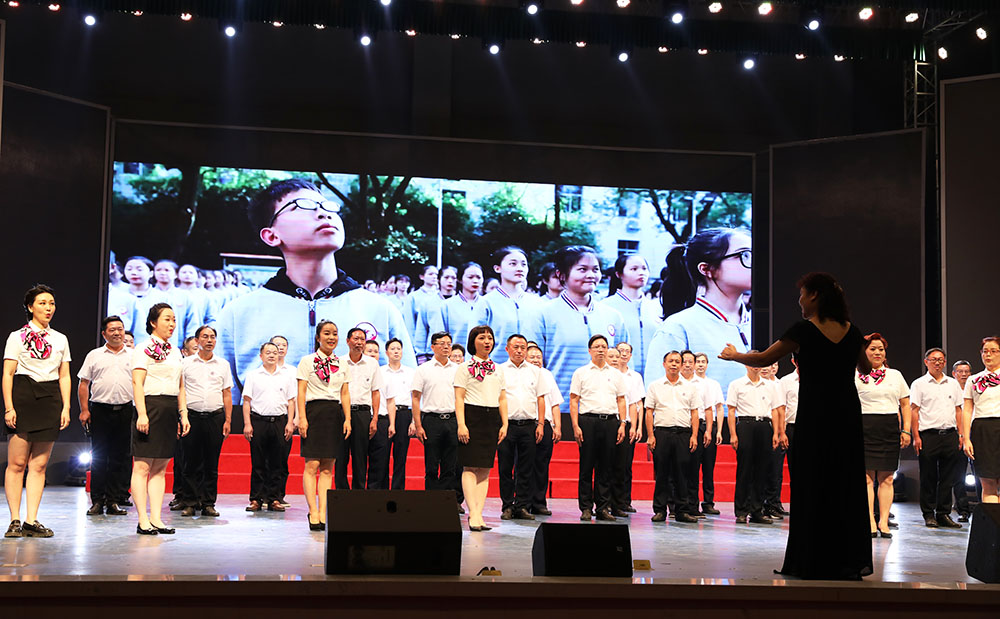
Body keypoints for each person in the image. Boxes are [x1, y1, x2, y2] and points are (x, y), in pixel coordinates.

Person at [720, 271, 873, 580]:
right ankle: (847, 560)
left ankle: (812, 560)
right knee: (845, 484)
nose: (800, 300)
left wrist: (735, 355)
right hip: (845, 416)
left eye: (802, 294)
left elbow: (763, 359)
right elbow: (866, 368)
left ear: (814, 296)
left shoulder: (802, 331)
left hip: (816, 417)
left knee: (812, 483)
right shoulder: (852, 331)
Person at [216, 179, 415, 403]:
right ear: (271, 235)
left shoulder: (379, 309)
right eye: (301, 206)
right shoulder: (239, 314)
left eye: (327, 206)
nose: (323, 213)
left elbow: (405, 391)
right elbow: (223, 399)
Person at [645, 228, 752, 392]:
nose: (754, 262)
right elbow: (659, 395)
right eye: (744, 254)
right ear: (706, 269)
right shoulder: (677, 328)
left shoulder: (758, 322)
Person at [3, 285, 72, 538]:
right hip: (23, 396)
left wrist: (66, 406)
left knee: (39, 464)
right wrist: (9, 407)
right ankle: (14, 520)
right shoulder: (17, 336)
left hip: (50, 398)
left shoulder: (60, 339)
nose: (48, 308)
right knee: (18, 463)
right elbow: (8, 374)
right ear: (31, 307)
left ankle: (31, 520)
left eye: (51, 303)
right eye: (43, 303)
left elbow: (64, 375)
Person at [532, 246, 628, 413]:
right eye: (582, 269)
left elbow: (624, 367)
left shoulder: (613, 316)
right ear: (561, 275)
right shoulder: (543, 314)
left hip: (607, 411)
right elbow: (532, 369)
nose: (591, 275)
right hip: (560, 409)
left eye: (595, 269)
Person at [131, 303, 190, 535]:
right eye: (167, 319)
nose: (172, 324)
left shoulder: (176, 351)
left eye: (174, 320)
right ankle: (142, 518)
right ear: (153, 322)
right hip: (150, 406)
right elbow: (137, 382)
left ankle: (156, 517)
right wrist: (142, 413)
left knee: (161, 467)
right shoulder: (142, 348)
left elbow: (181, 386)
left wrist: (183, 413)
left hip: (169, 408)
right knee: (143, 466)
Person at [297, 320, 351, 531]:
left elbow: (345, 393)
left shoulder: (342, 363)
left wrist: (347, 418)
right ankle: (312, 511)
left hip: (334, 414)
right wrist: (302, 418)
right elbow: (301, 392)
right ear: (318, 337)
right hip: (314, 413)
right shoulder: (307, 361)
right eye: (327, 333)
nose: (331, 337)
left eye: (335, 334)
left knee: (328, 467)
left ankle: (323, 512)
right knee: (312, 465)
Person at [856, 333, 910, 538]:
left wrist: (905, 430)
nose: (877, 352)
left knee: (887, 477)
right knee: (867, 478)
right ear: (864, 352)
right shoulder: (855, 374)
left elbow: (905, 404)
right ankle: (869, 520)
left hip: (888, 426)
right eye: (873, 349)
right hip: (864, 426)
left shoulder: (895, 375)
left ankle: (884, 521)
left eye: (881, 349)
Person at [78, 316, 133, 516]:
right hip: (100, 411)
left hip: (126, 411)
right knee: (99, 458)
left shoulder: (133, 355)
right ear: (104, 334)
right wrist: (85, 410)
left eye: (120, 329)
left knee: (119, 458)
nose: (117, 333)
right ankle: (97, 501)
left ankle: (113, 501)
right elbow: (83, 384)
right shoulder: (94, 355)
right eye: (112, 330)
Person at [455, 325, 508, 531]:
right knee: (470, 466)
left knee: (485, 468)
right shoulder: (464, 368)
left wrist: (505, 423)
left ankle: (479, 513)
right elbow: (459, 398)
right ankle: (473, 514)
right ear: (473, 342)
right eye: (482, 338)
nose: (487, 341)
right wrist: (461, 424)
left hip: (492, 417)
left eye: (490, 338)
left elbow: (502, 398)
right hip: (472, 416)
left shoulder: (498, 369)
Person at [570, 335, 628, 521]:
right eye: (597, 347)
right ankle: (586, 507)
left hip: (610, 422)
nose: (601, 350)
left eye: (604, 346)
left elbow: (621, 400)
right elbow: (574, 400)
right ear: (589, 350)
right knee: (586, 466)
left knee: (606, 467)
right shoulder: (581, 372)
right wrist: (575, 425)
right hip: (588, 422)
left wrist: (622, 424)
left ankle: (602, 507)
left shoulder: (616, 374)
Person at [178, 325, 233, 517]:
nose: (209, 340)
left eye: (212, 337)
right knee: (190, 463)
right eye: (205, 337)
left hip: (215, 417)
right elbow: (180, 391)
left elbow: (227, 393)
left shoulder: (223, 364)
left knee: (211, 463)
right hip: (191, 417)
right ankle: (190, 502)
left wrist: (227, 420)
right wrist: (181, 415)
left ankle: (208, 503)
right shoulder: (186, 363)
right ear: (197, 340)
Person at [910, 347, 964, 529]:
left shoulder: (953, 383)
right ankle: (928, 514)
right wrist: (915, 436)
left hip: (950, 434)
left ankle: (943, 513)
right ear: (926, 362)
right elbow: (914, 411)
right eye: (934, 359)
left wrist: (961, 435)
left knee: (949, 477)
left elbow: (958, 410)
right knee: (928, 476)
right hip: (928, 435)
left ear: (945, 362)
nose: (938, 363)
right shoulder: (919, 384)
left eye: (941, 360)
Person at [646, 351, 702, 524]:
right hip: (662, 433)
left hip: (683, 434)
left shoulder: (690, 386)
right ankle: (660, 510)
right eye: (671, 361)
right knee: (661, 473)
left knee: (682, 474)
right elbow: (649, 411)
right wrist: (650, 435)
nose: (674, 364)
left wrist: (694, 435)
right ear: (664, 364)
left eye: (677, 361)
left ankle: (682, 510)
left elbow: (694, 413)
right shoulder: (655, 386)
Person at [726, 361, 783, 525]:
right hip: (745, 425)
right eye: (752, 363)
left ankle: (757, 511)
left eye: (758, 363)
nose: (756, 366)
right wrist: (733, 434)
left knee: (761, 470)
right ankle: (742, 511)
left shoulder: (770, 385)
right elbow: (731, 410)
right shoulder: (737, 384)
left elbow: (775, 410)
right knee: (745, 470)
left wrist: (776, 432)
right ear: (746, 365)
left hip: (765, 426)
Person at [242, 342, 296, 512]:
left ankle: (274, 498)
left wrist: (290, 422)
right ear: (261, 356)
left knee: (277, 462)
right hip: (258, 422)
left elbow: (291, 401)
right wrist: (247, 424)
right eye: (268, 352)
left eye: (274, 352)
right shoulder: (253, 375)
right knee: (258, 462)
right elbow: (247, 401)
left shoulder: (286, 376)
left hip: (279, 422)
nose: (272, 355)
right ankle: (256, 499)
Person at [411, 332, 462, 512]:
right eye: (442, 343)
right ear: (433, 347)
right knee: (431, 465)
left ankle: (449, 501)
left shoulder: (458, 370)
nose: (446, 346)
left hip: (453, 420)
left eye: (449, 343)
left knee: (451, 465)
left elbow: (462, 398)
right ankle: (431, 500)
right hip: (431, 420)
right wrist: (418, 425)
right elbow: (416, 398)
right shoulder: (423, 369)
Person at [497, 334, 545, 521]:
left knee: (526, 468)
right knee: (505, 467)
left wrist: (540, 423)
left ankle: (522, 506)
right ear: (507, 349)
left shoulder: (535, 371)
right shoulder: (499, 370)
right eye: (515, 347)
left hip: (528, 426)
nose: (519, 350)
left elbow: (540, 398)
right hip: (506, 426)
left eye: (522, 347)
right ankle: (507, 505)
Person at [472, 247, 539, 365]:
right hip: (495, 372)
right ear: (498, 268)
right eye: (513, 264)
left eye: (523, 264)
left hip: (531, 373)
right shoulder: (486, 303)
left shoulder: (537, 303)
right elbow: (475, 344)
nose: (519, 268)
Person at [336, 328, 383, 490]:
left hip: (363, 413)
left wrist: (374, 418)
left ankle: (358, 494)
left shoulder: (372, 363)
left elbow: (375, 392)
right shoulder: (339, 362)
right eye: (355, 339)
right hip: (341, 413)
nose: (359, 342)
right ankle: (341, 493)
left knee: (360, 456)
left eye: (362, 339)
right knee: (340, 456)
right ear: (348, 341)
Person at [601, 254, 661, 376]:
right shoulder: (605, 307)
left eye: (644, 269)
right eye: (634, 269)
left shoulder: (657, 307)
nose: (641, 273)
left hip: (653, 379)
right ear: (619, 274)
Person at [685, 352, 724, 516]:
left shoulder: (710, 384)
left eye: (703, 362)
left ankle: (708, 502)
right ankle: (688, 504)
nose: (700, 364)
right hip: (686, 426)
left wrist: (716, 430)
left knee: (708, 468)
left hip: (705, 426)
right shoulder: (683, 382)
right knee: (690, 468)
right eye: (697, 361)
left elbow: (715, 408)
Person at [373, 338, 415, 490]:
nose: (396, 351)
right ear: (386, 352)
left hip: (404, 414)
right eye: (392, 349)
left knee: (400, 456)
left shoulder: (410, 372)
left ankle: (398, 490)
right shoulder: (380, 372)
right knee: (382, 455)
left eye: (398, 348)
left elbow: (415, 398)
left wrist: (414, 422)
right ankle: (381, 490)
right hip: (385, 416)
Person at [525, 343, 562, 516]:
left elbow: (555, 403)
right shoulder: (521, 374)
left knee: (541, 465)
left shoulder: (547, 375)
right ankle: (523, 503)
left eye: (538, 357)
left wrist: (557, 426)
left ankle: (539, 503)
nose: (536, 360)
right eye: (532, 357)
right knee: (524, 466)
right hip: (526, 423)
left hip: (546, 424)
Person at [962, 337, 1000, 506]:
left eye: (993, 351)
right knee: (987, 481)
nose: (988, 355)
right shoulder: (973, 379)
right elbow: (967, 410)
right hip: (982, 430)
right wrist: (966, 438)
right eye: (985, 351)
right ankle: (992, 528)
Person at [611, 343, 644, 516]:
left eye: (627, 351)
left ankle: (623, 501)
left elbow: (637, 403)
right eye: (620, 351)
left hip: (628, 422)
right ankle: (607, 501)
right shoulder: (609, 374)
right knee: (608, 464)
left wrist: (637, 426)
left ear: (630, 355)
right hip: (610, 422)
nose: (623, 354)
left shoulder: (635, 377)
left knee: (625, 466)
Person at [269, 334, 298, 507]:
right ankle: (264, 495)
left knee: (281, 459)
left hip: (285, 419)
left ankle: (278, 495)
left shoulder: (292, 371)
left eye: (283, 345)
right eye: (276, 344)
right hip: (265, 419)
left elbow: (295, 397)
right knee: (264, 460)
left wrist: (296, 418)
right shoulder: (260, 371)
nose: (280, 348)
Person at [433, 262, 483, 359]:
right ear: (460, 279)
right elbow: (440, 338)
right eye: (470, 277)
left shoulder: (487, 304)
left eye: (478, 277)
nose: (475, 281)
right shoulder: (447, 305)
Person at [760, 362, 788, 519]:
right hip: (763, 427)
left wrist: (780, 431)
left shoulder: (780, 384)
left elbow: (782, 409)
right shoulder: (757, 384)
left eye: (771, 364)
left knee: (775, 470)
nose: (766, 368)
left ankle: (773, 503)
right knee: (761, 468)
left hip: (777, 429)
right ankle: (759, 504)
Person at [951, 359, 975, 521]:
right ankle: (963, 510)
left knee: (980, 475)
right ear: (954, 374)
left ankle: (985, 509)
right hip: (958, 436)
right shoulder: (951, 390)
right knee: (957, 476)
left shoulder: (976, 387)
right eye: (960, 371)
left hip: (976, 435)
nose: (964, 374)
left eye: (966, 371)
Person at [404, 265, 440, 364]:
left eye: (436, 274)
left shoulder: (441, 296)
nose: (434, 277)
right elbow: (409, 324)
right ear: (422, 276)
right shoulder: (413, 297)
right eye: (430, 274)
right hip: (421, 347)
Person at [777, 355, 800, 480]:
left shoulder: (817, 378)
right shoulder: (786, 381)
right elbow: (781, 408)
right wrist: (782, 432)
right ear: (793, 361)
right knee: (794, 466)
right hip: (792, 428)